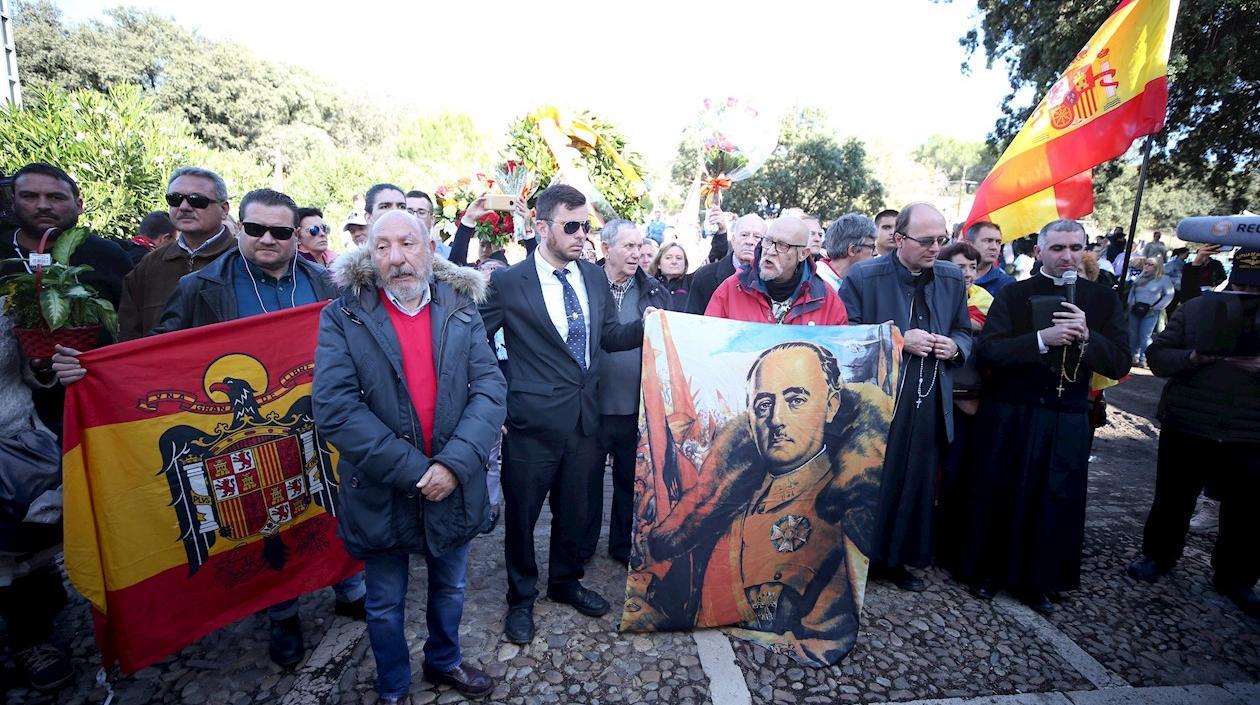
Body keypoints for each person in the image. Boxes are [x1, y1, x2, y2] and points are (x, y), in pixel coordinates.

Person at [54, 189, 364, 667]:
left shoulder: (324, 282)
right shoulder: (201, 286)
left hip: (320, 420)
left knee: (333, 502)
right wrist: (96, 370)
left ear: (295, 236)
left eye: (281, 231)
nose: (268, 239)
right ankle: (283, 615)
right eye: (256, 228)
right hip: (251, 436)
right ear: (238, 226)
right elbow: (161, 355)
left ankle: (350, 586)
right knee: (271, 518)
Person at [314, 210, 506, 702]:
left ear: (430, 246)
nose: (396, 258)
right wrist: (419, 472)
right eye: (382, 247)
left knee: (450, 588)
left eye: (407, 244)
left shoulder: (460, 306)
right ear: (368, 253)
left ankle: (444, 662)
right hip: (382, 486)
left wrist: (454, 464)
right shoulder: (343, 314)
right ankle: (393, 684)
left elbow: (489, 388)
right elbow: (335, 408)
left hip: (453, 481)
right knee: (383, 602)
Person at [478, 185, 647, 644]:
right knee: (523, 516)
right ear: (541, 228)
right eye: (570, 226)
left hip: (584, 422)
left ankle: (566, 581)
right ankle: (521, 596)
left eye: (585, 227)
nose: (581, 236)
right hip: (530, 424)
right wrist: (503, 399)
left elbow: (609, 336)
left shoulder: (592, 277)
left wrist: (649, 324)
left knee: (576, 509)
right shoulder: (508, 283)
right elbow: (478, 347)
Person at [645, 342, 879, 664]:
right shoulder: (727, 494)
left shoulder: (841, 514)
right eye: (763, 404)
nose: (776, 419)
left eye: (796, 400)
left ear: (831, 405)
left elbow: (822, 642)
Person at [951, 219, 1130, 613]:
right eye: (1057, 248)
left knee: (1053, 499)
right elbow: (991, 352)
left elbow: (1119, 362)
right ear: (1039, 252)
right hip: (1011, 413)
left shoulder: (1102, 300)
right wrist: (1039, 341)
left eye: (1075, 248)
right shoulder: (1015, 295)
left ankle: (1039, 581)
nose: (1067, 256)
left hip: (1065, 416)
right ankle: (986, 571)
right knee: (1000, 491)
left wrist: (1089, 336)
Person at [839, 203, 971, 592]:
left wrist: (955, 347)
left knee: (916, 480)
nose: (936, 248)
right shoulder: (865, 276)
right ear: (898, 239)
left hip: (928, 398)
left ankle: (897, 560)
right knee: (874, 476)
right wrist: (897, 339)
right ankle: (860, 557)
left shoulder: (949, 278)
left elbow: (964, 330)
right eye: (926, 240)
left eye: (941, 240)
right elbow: (844, 332)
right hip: (878, 398)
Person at [1127, 248, 1260, 620]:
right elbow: (1158, 357)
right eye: (1242, 284)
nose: (1247, 292)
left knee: (1247, 513)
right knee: (1173, 498)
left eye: (1255, 286)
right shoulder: (1198, 309)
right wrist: (1192, 359)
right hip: (1189, 423)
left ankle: (1236, 578)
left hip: (1249, 434)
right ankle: (1159, 555)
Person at [0, 163, 132, 434]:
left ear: (79, 204)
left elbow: (131, 325)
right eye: (29, 196)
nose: (43, 205)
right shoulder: (3, 253)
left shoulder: (107, 255)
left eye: (56, 197)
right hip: (16, 422)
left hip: (99, 405)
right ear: (13, 202)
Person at [582, 220, 670, 565]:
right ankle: (582, 547)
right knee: (586, 482)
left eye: (639, 247)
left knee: (628, 482)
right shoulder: (583, 285)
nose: (637, 254)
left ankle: (621, 547)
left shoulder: (654, 291)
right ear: (606, 249)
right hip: (591, 405)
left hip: (637, 405)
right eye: (628, 247)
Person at [0, 306, 72, 691]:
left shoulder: (7, 306)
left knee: (22, 549)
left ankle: (32, 639)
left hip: (16, 445)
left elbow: (34, 374)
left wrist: (45, 366)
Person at [117, 167, 237, 342]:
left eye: (197, 200)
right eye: (174, 199)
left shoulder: (244, 260)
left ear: (224, 209)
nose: (184, 207)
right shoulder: (150, 264)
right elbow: (129, 334)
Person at [705, 216, 848, 325]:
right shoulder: (732, 288)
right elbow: (709, 343)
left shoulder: (825, 299)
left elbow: (838, 357)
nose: (770, 251)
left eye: (783, 245)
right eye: (767, 241)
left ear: (803, 254)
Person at [685, 214, 766, 314]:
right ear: (733, 240)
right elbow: (694, 321)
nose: (750, 242)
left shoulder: (770, 279)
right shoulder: (705, 276)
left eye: (757, 237)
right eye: (744, 235)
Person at [1127, 257, 1175, 367]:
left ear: (1157, 267)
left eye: (1150, 264)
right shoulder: (1141, 276)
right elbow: (1133, 290)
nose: (1147, 266)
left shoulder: (1163, 279)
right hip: (1135, 308)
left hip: (1151, 311)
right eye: (1146, 264)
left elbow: (1169, 294)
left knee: (1145, 335)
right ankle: (1134, 355)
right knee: (1133, 334)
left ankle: (1145, 357)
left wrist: (1158, 306)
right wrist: (1130, 302)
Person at [815, 213, 878, 291]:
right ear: (852, 250)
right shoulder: (818, 284)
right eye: (872, 247)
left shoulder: (850, 280)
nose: (876, 253)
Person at [965, 221, 1015, 296]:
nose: (994, 247)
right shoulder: (952, 277)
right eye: (988, 241)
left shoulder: (1006, 283)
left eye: (998, 242)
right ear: (969, 244)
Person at [649, 241, 693, 311]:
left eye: (679, 258)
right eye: (668, 258)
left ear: (685, 264)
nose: (674, 262)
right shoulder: (649, 284)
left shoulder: (693, 283)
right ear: (659, 264)